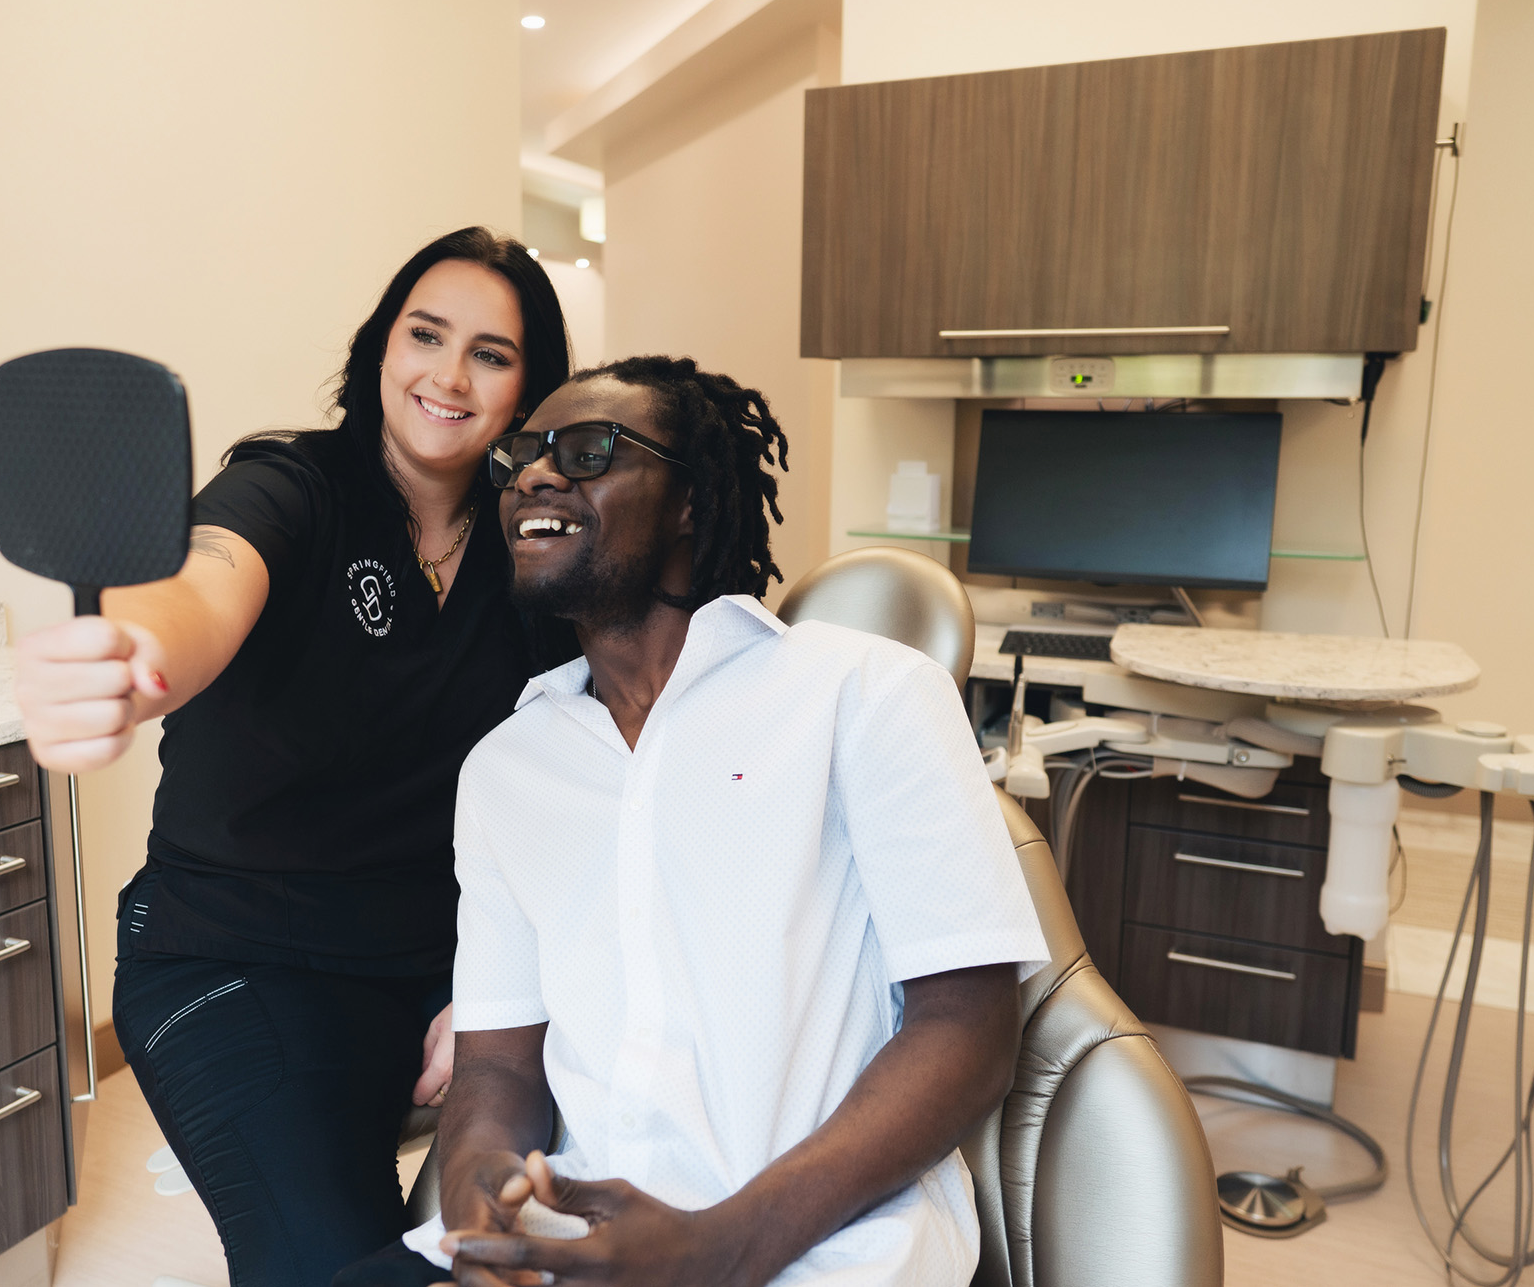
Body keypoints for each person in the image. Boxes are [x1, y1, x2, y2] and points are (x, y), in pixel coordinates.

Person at [338, 356, 1049, 1287]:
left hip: (821, 1256)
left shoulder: (864, 693)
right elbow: (499, 1065)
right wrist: (477, 1187)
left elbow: (968, 1030)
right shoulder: (507, 770)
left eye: (588, 450)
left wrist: (724, 1246)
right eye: (522, 456)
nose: (536, 474)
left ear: (689, 500)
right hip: (575, 1248)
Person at [12, 227, 574, 1286]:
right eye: (425, 335)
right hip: (235, 956)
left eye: (490, 354)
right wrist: (131, 655)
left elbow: (572, 777)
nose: (449, 376)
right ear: (380, 348)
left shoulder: (531, 551)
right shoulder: (293, 486)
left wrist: (503, 980)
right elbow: (199, 586)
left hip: (435, 960)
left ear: (527, 390)